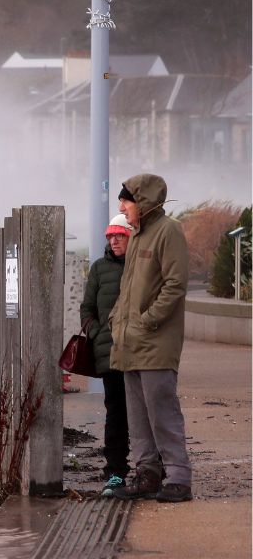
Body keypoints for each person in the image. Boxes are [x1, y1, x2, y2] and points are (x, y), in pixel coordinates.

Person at [109, 173, 192, 503]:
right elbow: (127, 290)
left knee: (162, 412)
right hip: (131, 343)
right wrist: (118, 322)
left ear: (142, 202)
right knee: (138, 415)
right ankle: (147, 474)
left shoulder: (168, 231)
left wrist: (147, 321)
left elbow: (175, 284)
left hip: (155, 342)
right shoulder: (138, 235)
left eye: (126, 200)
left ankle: (179, 478)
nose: (122, 206)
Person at [80, 213, 133, 497]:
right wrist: (97, 333)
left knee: (145, 412)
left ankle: (154, 468)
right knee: (116, 412)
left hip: (138, 352)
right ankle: (115, 472)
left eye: (119, 235)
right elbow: (86, 308)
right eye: (110, 236)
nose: (113, 240)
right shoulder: (100, 269)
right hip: (109, 353)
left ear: (130, 236)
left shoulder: (142, 266)